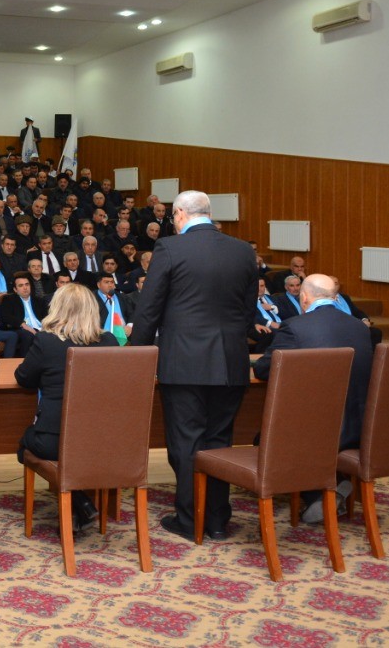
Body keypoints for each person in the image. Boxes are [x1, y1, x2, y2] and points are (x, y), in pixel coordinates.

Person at [131, 190, 256, 543]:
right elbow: (248, 314)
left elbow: (149, 309)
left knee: (186, 442)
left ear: (179, 214)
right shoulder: (242, 250)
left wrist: (139, 354)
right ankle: (217, 519)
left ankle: (190, 519)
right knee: (220, 442)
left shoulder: (170, 248)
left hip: (184, 362)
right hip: (231, 361)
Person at [253, 274, 375, 523]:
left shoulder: (296, 327)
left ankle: (318, 495)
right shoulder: (360, 329)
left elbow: (264, 369)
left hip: (317, 432)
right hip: (358, 427)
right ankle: (336, 484)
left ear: (304, 297)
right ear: (335, 298)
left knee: (263, 438)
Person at [15, 284, 118, 531]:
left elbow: (24, 378)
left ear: (57, 308)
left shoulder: (46, 341)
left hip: (55, 442)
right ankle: (80, 502)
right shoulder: (109, 341)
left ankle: (78, 501)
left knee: (24, 444)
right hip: (100, 441)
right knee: (68, 449)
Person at [0, 272, 50, 354]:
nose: (25, 288)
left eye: (27, 284)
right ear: (15, 289)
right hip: (20, 328)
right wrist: (23, 324)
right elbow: (6, 317)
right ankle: (23, 362)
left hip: (40, 327)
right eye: (21, 285)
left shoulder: (39, 300)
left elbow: (47, 316)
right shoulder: (8, 299)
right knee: (28, 335)